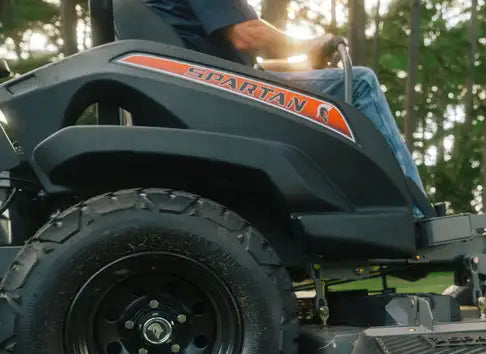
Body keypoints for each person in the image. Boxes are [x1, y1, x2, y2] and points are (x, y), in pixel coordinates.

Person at [143, 0, 426, 205]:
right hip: (224, 92)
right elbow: (248, 35)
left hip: (212, 90)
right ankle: (415, 213)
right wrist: (309, 44)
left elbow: (241, 62)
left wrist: (301, 65)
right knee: (362, 83)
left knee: (328, 84)